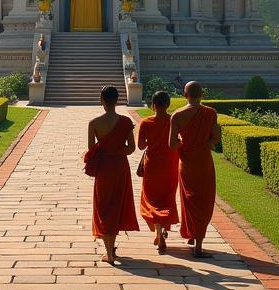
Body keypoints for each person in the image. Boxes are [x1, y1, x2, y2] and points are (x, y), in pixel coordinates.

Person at [85, 85, 139, 264]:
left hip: (103, 168)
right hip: (119, 167)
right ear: (117, 100)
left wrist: (107, 150)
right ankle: (111, 249)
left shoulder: (94, 123)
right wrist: (117, 150)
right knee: (116, 206)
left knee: (103, 207)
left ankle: (108, 252)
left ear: (101, 100)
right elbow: (131, 148)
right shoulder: (125, 122)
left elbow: (91, 150)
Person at [170, 81, 220, 258]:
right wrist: (204, 144)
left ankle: (193, 234)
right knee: (204, 201)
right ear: (202, 95)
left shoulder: (177, 115)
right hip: (204, 162)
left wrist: (186, 144)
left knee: (189, 200)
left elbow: (172, 144)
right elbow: (216, 137)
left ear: (185, 95)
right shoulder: (211, 113)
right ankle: (198, 243)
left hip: (187, 162)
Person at [138, 91, 180, 253]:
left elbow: (141, 146)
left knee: (152, 200)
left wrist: (152, 140)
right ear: (168, 104)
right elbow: (179, 141)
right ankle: (162, 231)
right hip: (170, 164)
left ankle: (158, 232)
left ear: (152, 105)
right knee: (166, 198)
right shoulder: (173, 121)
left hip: (152, 166)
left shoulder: (146, 122)